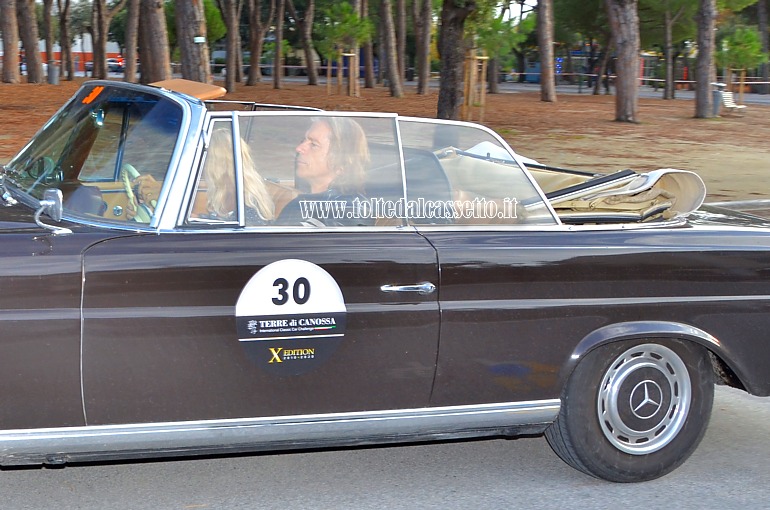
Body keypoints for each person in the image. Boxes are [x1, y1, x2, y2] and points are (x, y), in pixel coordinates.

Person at [132, 127, 274, 225]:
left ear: (217, 162)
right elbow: (220, 222)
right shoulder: (227, 191)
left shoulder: (247, 200)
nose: (201, 163)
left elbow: (237, 237)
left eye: (205, 158)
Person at [276, 117, 371, 226]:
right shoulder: (301, 203)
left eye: (314, 145)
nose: (299, 148)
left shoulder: (349, 210)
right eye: (303, 141)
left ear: (342, 163)